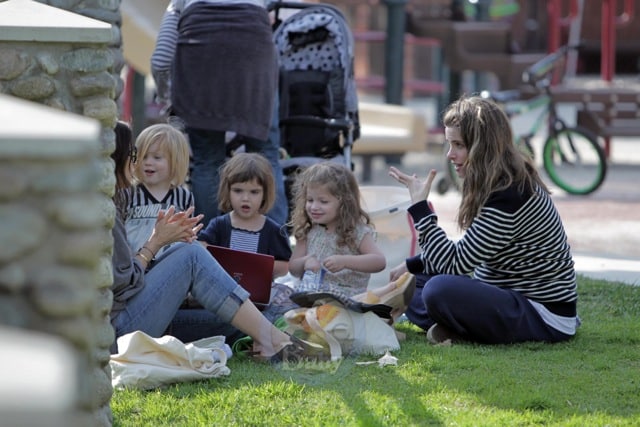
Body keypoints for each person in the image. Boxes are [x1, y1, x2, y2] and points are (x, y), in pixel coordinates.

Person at [109, 121, 322, 362]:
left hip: (135, 314)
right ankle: (274, 340)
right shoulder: (116, 206)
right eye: (136, 154)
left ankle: (269, 336)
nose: (142, 162)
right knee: (191, 255)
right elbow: (123, 283)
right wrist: (155, 244)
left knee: (237, 316)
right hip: (117, 329)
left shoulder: (172, 196)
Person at [388, 95, 579, 345]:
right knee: (411, 282)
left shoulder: (510, 194)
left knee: (438, 290)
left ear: (482, 147)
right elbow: (471, 250)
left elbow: (456, 263)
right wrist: (414, 265)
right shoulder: (496, 180)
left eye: (458, 145)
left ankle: (457, 326)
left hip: (543, 314)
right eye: (449, 144)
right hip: (502, 294)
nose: (450, 154)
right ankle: (453, 326)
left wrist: (420, 208)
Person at [150, 0, 288, 227]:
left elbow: (161, 60)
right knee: (266, 154)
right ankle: (275, 248)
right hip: (253, 54)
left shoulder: (179, 3)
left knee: (206, 160)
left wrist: (166, 97)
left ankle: (209, 242)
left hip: (201, 60)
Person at [195, 152, 297, 324]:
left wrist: (257, 265)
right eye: (238, 190)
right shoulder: (219, 224)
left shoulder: (272, 230)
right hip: (221, 296)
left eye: (254, 192)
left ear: (265, 194)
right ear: (227, 191)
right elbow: (201, 248)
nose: (245, 198)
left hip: (257, 301)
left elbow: (286, 266)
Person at [288, 161, 386, 297]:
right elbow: (293, 268)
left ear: (344, 203)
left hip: (347, 296)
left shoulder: (356, 232)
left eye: (323, 201)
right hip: (311, 294)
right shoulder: (307, 230)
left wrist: (345, 261)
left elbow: (379, 261)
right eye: (310, 200)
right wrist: (305, 262)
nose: (314, 207)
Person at [125, 123, 193, 259]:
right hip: (134, 264)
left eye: (157, 157)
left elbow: (185, 237)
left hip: (168, 265)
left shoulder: (184, 197)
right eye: (143, 156)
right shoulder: (129, 193)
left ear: (175, 161)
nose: (148, 162)